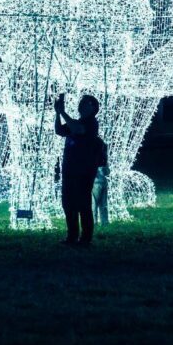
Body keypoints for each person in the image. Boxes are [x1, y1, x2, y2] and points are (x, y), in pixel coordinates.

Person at [54, 93, 102, 246]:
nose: (81, 104)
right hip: (69, 168)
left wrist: (62, 112)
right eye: (81, 102)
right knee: (68, 203)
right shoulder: (78, 121)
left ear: (93, 108)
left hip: (84, 170)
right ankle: (72, 236)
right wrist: (57, 113)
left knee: (83, 203)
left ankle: (85, 238)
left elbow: (77, 129)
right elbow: (60, 131)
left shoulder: (91, 123)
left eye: (86, 103)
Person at [92, 139, 110, 228]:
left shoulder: (92, 158)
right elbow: (107, 172)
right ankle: (105, 222)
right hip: (103, 182)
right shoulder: (104, 158)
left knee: (93, 203)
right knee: (103, 204)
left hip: (94, 182)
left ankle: (94, 223)